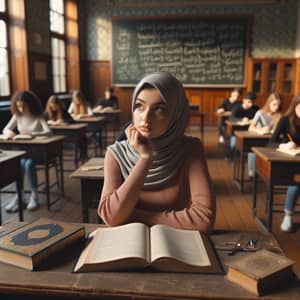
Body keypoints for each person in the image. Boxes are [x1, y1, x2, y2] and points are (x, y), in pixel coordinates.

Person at [98, 72, 215, 232]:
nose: (145, 118)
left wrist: (133, 216)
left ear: (175, 113)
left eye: (159, 109)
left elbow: (204, 219)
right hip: (127, 243)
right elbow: (111, 217)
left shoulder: (190, 149)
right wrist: (145, 159)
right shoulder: (115, 153)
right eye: (139, 106)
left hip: (173, 243)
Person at [2, 90, 52, 212]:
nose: (20, 108)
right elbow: (5, 129)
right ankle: (20, 196)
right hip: (23, 150)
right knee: (20, 163)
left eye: (23, 105)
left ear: (30, 104)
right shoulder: (17, 116)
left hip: (37, 151)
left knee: (28, 164)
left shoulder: (38, 116)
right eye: (18, 105)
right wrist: (10, 133)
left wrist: (31, 133)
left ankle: (34, 196)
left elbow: (49, 132)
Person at [269, 93, 300, 232]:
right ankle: (288, 215)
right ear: (295, 106)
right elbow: (270, 143)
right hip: (290, 162)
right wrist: (283, 145)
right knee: (297, 181)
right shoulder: (285, 120)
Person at [247, 92, 282, 177]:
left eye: (278, 105)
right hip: (258, 139)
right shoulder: (260, 112)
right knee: (253, 151)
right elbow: (250, 128)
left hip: (271, 140)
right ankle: (252, 172)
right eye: (274, 104)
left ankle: (270, 173)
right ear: (269, 103)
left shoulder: (279, 115)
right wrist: (260, 130)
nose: (276, 107)